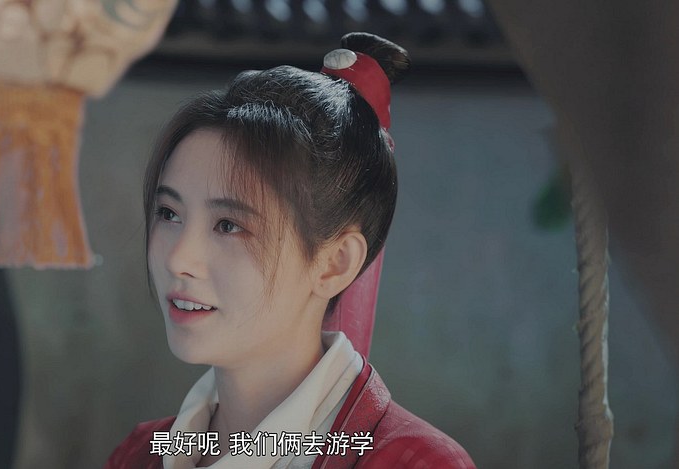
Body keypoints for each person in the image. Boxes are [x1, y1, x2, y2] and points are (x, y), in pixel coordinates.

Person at [105, 32, 476, 468]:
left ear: (335, 263)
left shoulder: (414, 462)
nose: (178, 259)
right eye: (169, 213)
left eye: (228, 225)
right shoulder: (141, 454)